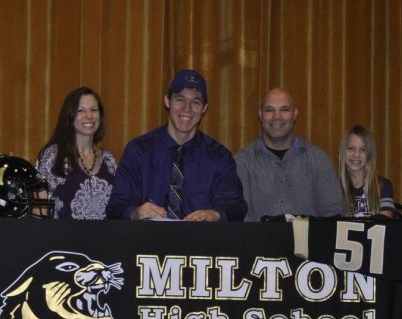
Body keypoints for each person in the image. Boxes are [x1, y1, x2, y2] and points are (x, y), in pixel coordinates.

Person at [107, 69, 246, 221]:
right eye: (180, 99)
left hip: (201, 236)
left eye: (196, 102)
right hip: (147, 236)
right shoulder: (138, 151)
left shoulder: (219, 157)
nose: (187, 108)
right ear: (167, 101)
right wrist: (135, 213)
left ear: (205, 108)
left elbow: (236, 206)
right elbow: (116, 206)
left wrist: (215, 214)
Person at [234, 88, 343, 221]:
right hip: (258, 235)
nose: (277, 116)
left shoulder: (318, 160)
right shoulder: (242, 162)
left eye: (284, 109)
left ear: (295, 114)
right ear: (260, 115)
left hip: (309, 235)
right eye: (269, 110)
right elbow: (242, 218)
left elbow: (333, 216)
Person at [35, 87, 117, 219]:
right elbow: (38, 210)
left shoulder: (109, 160)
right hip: (59, 233)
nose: (89, 115)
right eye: (81, 110)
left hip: (105, 233)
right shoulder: (52, 156)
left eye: (93, 110)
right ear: (69, 116)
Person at [338, 124, 396, 217]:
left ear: (370, 155)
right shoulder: (332, 187)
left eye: (363, 149)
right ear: (342, 151)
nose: (356, 154)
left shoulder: (383, 186)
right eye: (351, 148)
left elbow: (385, 219)